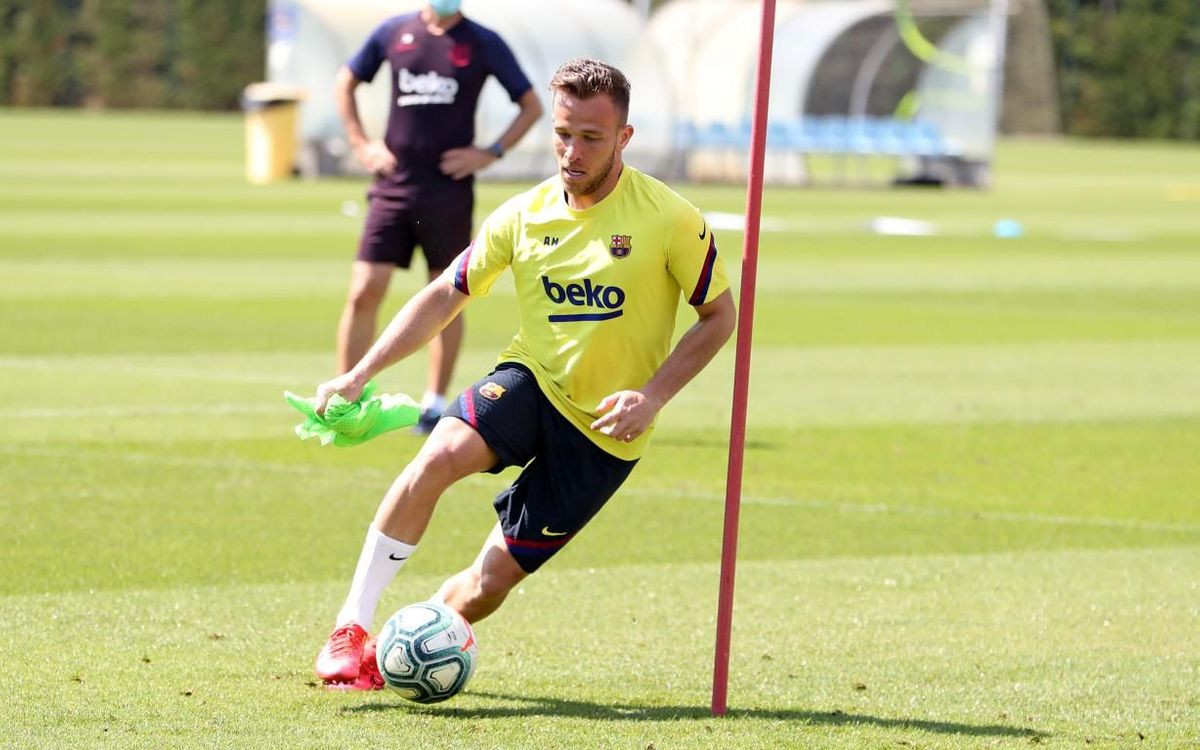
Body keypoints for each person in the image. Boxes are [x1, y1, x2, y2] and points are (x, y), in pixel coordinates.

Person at [311, 57, 736, 690]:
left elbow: (718, 317)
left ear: (624, 137)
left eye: (591, 137)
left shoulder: (670, 218)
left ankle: (399, 654)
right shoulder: (523, 214)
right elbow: (445, 293)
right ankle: (350, 625)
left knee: (488, 585)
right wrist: (360, 373)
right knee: (437, 455)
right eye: (563, 133)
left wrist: (653, 396)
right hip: (531, 381)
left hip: (603, 435)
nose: (572, 150)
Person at [334, 0, 543, 433]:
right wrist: (361, 143)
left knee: (447, 294)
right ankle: (344, 397)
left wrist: (490, 153)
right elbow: (345, 82)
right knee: (363, 290)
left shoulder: (482, 42)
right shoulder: (394, 32)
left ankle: (434, 403)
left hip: (448, 191)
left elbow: (531, 105)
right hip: (393, 185)